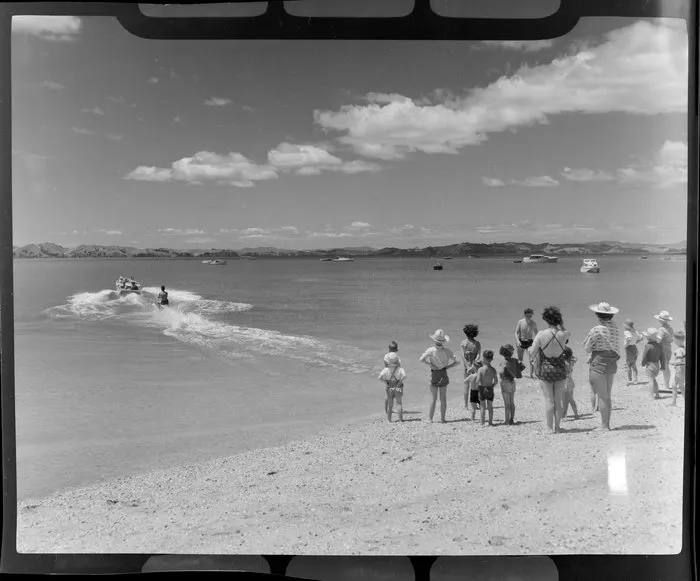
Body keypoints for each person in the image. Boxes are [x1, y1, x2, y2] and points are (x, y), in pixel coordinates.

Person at [531, 305, 571, 434]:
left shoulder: (541, 334)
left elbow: (532, 352)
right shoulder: (564, 334)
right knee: (558, 400)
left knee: (549, 401)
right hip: (560, 369)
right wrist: (561, 324)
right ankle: (558, 427)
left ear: (546, 319)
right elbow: (565, 332)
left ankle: (549, 428)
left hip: (545, 370)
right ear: (558, 319)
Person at [583, 302, 621, 431]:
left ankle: (604, 426)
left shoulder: (596, 329)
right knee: (607, 395)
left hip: (599, 362)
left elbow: (587, 347)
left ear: (598, 315)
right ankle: (606, 424)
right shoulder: (615, 327)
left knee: (602, 396)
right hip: (612, 362)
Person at [419, 329, 459, 423]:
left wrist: (430, 364)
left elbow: (421, 359)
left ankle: (430, 419)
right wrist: (447, 367)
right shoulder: (447, 351)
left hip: (434, 374)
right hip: (443, 373)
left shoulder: (431, 350)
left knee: (433, 398)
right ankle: (443, 419)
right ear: (443, 341)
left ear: (434, 340)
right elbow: (457, 362)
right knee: (443, 398)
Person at [498, 344, 524, 425]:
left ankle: (506, 421)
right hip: (512, 382)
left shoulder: (503, 362)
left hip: (505, 382)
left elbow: (501, 372)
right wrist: (516, 373)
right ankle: (512, 419)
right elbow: (523, 366)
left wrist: (503, 377)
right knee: (512, 402)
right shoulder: (515, 360)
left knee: (507, 404)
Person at [378, 352, 406, 422]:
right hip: (398, 388)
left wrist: (386, 383)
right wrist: (399, 382)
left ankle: (389, 420)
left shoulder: (385, 370)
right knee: (399, 403)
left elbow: (379, 378)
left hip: (390, 388)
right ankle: (400, 420)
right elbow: (405, 376)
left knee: (390, 405)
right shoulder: (400, 369)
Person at [641, 328, 665, 400]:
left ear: (648, 337)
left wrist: (643, 363)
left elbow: (644, 356)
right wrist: (663, 366)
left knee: (650, 379)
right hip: (657, 364)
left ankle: (651, 395)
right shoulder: (659, 346)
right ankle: (657, 394)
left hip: (650, 364)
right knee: (654, 379)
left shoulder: (648, 346)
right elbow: (662, 356)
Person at [476, 350, 499, 426]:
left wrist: (477, 387)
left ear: (483, 359)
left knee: (482, 406)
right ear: (491, 359)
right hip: (490, 389)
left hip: (482, 388)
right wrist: (492, 386)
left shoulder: (480, 369)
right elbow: (496, 381)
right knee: (490, 406)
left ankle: (482, 422)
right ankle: (490, 422)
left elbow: (477, 380)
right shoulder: (493, 370)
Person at [654, 311, 675, 393]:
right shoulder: (670, 328)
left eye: (659, 319)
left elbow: (658, 340)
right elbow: (672, 339)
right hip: (669, 348)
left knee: (665, 367)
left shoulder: (661, 329)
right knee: (666, 366)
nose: (658, 321)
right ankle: (667, 384)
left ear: (662, 321)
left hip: (663, 349)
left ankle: (666, 386)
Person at [515, 308, 539, 378]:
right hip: (521, 341)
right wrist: (518, 341)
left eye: (530, 316)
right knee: (520, 360)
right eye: (527, 316)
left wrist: (536, 344)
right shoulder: (520, 322)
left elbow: (537, 335)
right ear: (524, 315)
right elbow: (516, 333)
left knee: (531, 360)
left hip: (529, 342)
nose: (529, 317)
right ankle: (519, 374)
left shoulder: (533, 324)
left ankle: (531, 375)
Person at [561, 346, 580, 420]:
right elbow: (575, 359)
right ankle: (576, 415)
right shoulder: (571, 361)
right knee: (571, 400)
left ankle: (563, 415)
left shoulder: (563, 363)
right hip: (570, 381)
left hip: (563, 382)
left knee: (563, 401)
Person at [623, 319, 643, 385]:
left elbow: (629, 338)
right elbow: (641, 338)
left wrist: (626, 345)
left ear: (626, 326)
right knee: (634, 365)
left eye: (624, 324)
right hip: (635, 348)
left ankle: (630, 380)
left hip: (629, 349)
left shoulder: (626, 332)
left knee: (628, 365)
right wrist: (636, 342)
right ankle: (635, 380)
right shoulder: (635, 332)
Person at [383, 341, 401, 414]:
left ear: (389, 349)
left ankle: (386, 410)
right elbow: (399, 367)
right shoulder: (397, 358)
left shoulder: (386, 356)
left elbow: (385, 365)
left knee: (387, 393)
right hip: (395, 377)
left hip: (387, 376)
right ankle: (391, 409)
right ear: (396, 350)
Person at [670, 330, 686, 406]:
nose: (673, 340)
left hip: (679, 370)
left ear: (677, 340)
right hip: (681, 370)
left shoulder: (679, 350)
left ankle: (685, 401)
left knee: (681, 386)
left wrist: (672, 362)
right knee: (674, 385)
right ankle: (673, 402)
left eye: (674, 339)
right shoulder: (684, 348)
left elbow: (679, 360)